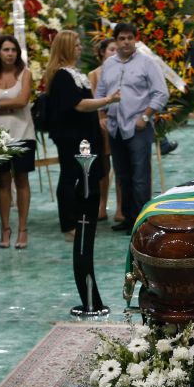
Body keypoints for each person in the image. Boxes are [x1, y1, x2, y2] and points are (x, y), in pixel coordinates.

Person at [95, 22, 169, 234]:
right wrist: (101, 114)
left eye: (129, 38)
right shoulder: (109, 64)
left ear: (135, 39)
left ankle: (142, 222)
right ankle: (128, 218)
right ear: (116, 41)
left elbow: (161, 93)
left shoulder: (147, 63)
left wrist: (145, 116)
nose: (125, 42)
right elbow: (101, 92)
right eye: (121, 38)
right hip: (115, 127)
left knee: (140, 177)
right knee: (122, 175)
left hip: (138, 127)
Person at [47, 30, 120, 240]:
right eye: (76, 44)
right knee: (70, 177)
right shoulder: (62, 75)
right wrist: (108, 100)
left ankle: (82, 218)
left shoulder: (75, 73)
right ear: (67, 47)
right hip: (71, 136)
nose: (80, 47)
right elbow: (78, 105)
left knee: (83, 177)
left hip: (84, 135)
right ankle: (69, 224)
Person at [0, 35, 35, 249]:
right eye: (6, 49)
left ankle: (22, 229)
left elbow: (22, 101)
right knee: (3, 183)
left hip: (23, 134)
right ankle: (5, 229)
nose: (10, 53)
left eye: (13, 49)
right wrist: (4, 105)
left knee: (21, 181)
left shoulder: (25, 74)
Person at [88, 38, 122, 223]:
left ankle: (120, 206)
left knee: (120, 165)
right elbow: (93, 99)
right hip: (100, 125)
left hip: (119, 122)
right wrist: (101, 117)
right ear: (102, 52)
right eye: (111, 49)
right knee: (102, 166)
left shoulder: (122, 71)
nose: (114, 53)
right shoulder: (94, 74)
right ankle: (102, 204)